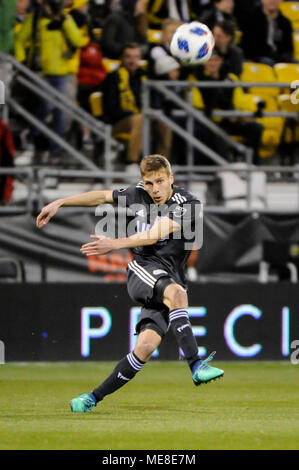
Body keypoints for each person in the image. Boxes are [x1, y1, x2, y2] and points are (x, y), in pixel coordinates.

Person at [36, 154, 224, 413]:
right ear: (142, 182)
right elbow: (102, 196)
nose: (155, 189)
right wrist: (61, 201)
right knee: (178, 295)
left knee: (144, 348)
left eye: (160, 181)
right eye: (149, 183)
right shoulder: (137, 194)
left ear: (171, 179)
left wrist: (114, 244)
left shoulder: (189, 204)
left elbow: (155, 234)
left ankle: (90, 399)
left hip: (167, 277)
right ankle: (196, 365)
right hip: (143, 270)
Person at [15, 0, 89, 160]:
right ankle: (31, 137)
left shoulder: (66, 19)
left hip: (61, 73)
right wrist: (21, 63)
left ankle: (55, 151)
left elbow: (78, 41)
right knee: (46, 106)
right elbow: (20, 40)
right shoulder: (35, 19)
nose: (52, 8)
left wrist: (63, 22)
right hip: (41, 73)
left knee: (61, 113)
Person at [192, 48, 264, 165]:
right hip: (209, 121)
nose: (213, 63)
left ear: (221, 61)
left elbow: (240, 100)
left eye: (216, 60)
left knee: (255, 128)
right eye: (209, 60)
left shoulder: (231, 78)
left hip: (230, 119)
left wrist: (243, 113)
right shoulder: (197, 78)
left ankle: (253, 166)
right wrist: (224, 113)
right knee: (214, 131)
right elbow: (197, 103)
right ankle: (225, 168)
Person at [102, 42, 146, 170]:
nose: (132, 61)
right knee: (140, 119)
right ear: (122, 58)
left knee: (163, 122)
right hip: (118, 123)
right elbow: (110, 109)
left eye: (136, 57)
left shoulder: (144, 77)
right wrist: (132, 115)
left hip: (141, 118)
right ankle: (131, 163)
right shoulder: (112, 78)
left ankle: (161, 166)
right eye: (128, 57)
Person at [240, 0, 294, 66]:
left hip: (279, 59)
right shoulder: (251, 18)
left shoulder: (285, 23)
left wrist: (282, 58)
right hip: (257, 59)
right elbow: (248, 47)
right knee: (268, 62)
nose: (273, 1)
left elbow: (288, 49)